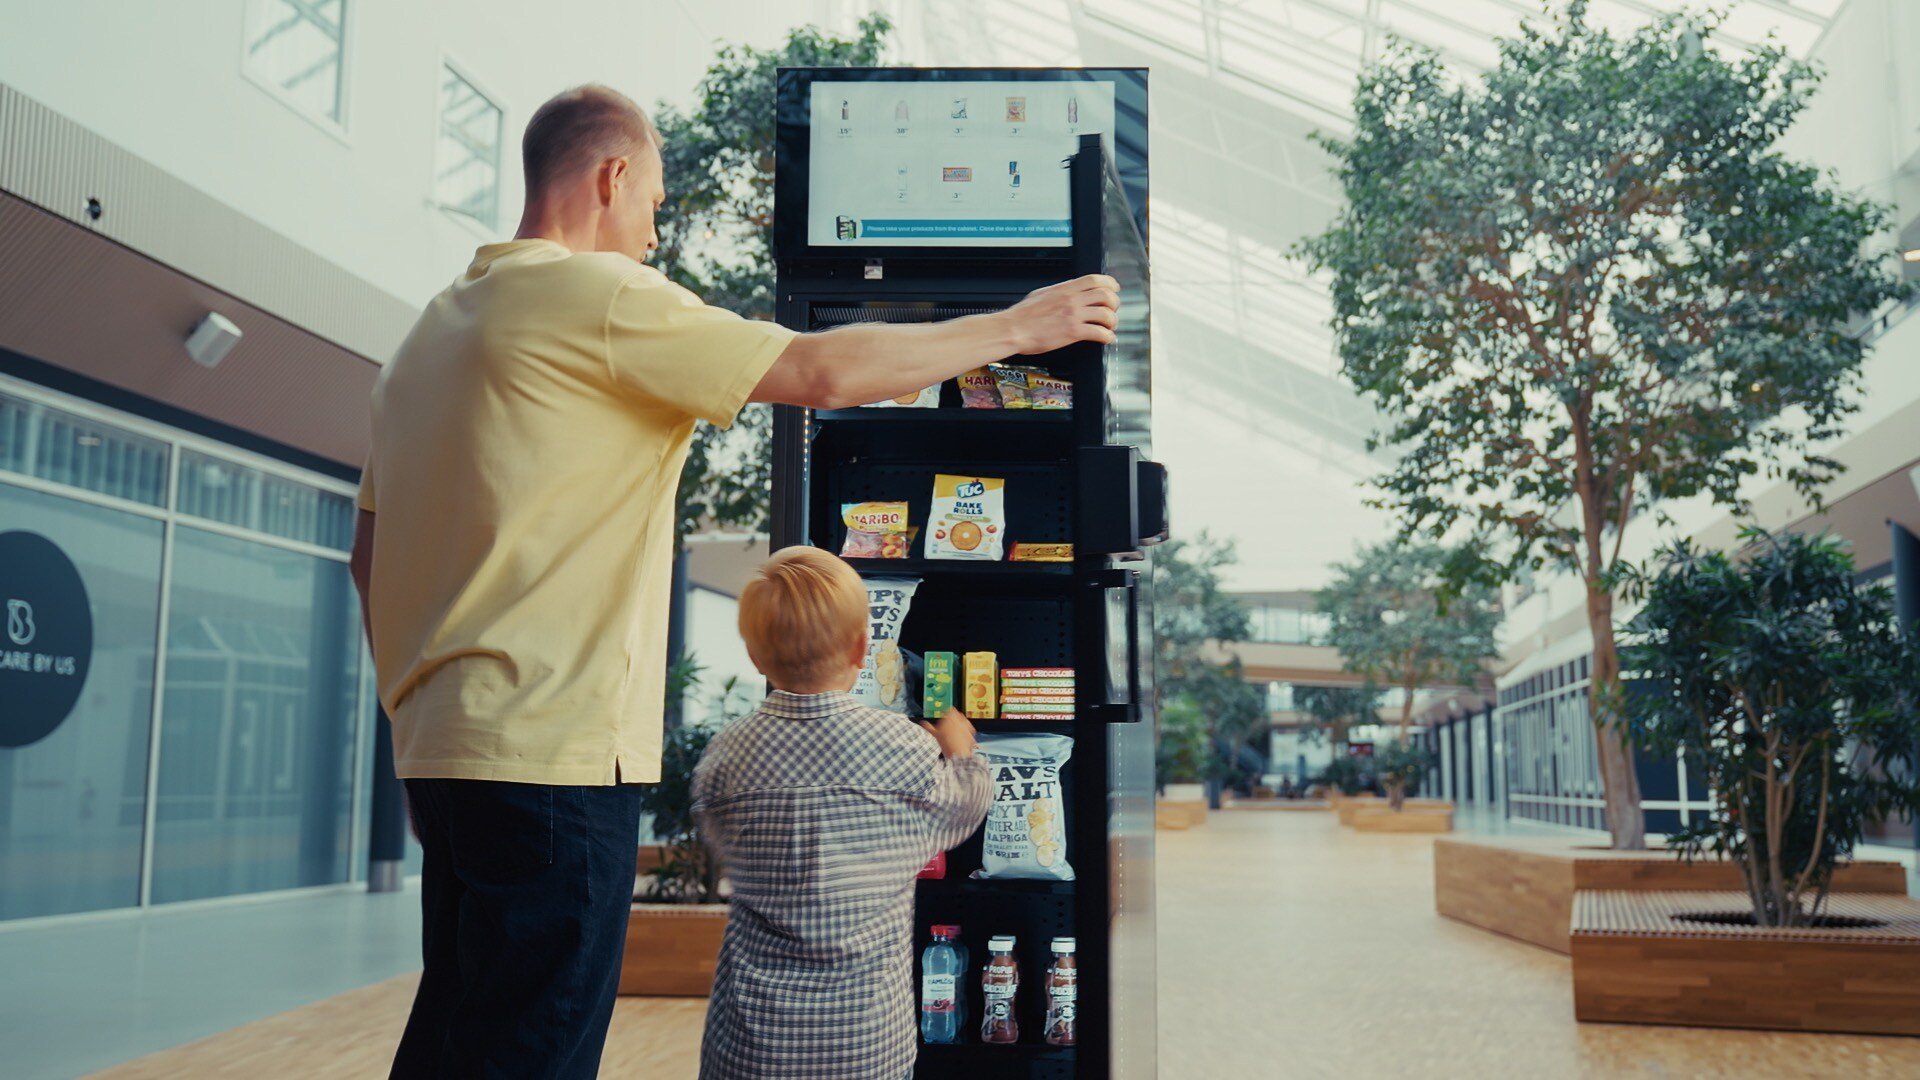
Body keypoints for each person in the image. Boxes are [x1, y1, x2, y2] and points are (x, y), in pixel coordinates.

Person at [347, 83, 1116, 1079]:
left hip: (447, 753)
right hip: (551, 747)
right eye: (656, 205)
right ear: (613, 177)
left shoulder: (429, 336)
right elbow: (822, 371)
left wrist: (420, 736)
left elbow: (369, 558)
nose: (655, 236)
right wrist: (1017, 326)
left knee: (460, 1033)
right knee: (528, 1048)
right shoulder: (600, 297)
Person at [692, 547, 991, 1080]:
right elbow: (960, 815)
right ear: (861, 649)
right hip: (866, 1042)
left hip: (751, 1043)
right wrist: (961, 753)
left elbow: (722, 840)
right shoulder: (903, 745)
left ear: (755, 658)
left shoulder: (726, 754)